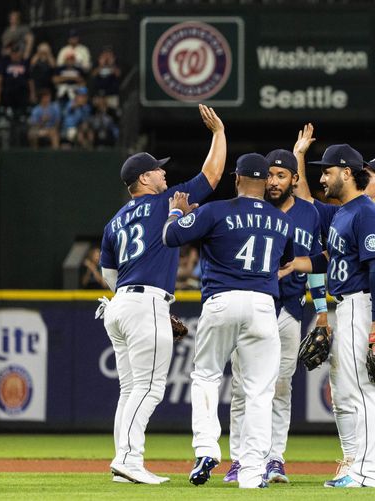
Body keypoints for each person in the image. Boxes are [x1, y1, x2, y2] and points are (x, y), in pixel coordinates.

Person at [98, 104, 225, 485]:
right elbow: (213, 174)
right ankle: (127, 459)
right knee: (150, 388)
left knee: (130, 389)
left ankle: (126, 461)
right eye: (158, 168)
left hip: (118, 304)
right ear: (144, 178)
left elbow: (108, 274)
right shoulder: (163, 203)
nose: (165, 172)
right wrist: (219, 133)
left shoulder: (114, 221)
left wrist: (130, 295)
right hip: (145, 302)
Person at [293, 129, 375, 485]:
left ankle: (371, 470)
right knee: (350, 390)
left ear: (346, 173)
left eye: (328, 170)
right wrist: (297, 265)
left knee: (369, 389)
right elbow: (305, 205)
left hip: (366, 305)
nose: (323, 177)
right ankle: (359, 466)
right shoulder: (345, 213)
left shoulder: (365, 213)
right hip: (351, 306)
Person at [163, 153, 294, 490]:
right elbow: (286, 260)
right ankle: (252, 472)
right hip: (264, 305)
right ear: (266, 182)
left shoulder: (216, 210)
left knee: (206, 375)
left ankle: (207, 448)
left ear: (236, 179)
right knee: (259, 392)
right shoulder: (282, 221)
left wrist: (178, 211)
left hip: (221, 300)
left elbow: (171, 236)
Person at [223, 148, 327, 485]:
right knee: (242, 386)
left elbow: (317, 263)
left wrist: (322, 310)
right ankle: (239, 459)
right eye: (269, 174)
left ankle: (274, 459)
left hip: (291, 309)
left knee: (281, 387)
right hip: (253, 304)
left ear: (295, 180)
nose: (274, 180)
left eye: (282, 175)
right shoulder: (249, 210)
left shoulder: (309, 214)